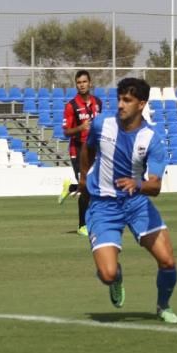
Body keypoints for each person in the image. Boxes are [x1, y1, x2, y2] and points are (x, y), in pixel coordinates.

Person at [78, 77, 177, 324]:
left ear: (141, 104)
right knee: (108, 274)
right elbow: (88, 150)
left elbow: (155, 186)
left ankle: (163, 306)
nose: (121, 105)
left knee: (167, 261)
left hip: (137, 204)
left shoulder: (151, 139)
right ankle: (117, 276)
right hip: (103, 206)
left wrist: (139, 184)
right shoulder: (102, 124)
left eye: (128, 100)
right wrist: (83, 178)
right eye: (119, 99)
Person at [59, 70, 103, 236]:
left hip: (94, 148)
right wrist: (80, 128)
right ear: (76, 84)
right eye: (79, 82)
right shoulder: (71, 106)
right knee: (86, 188)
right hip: (77, 149)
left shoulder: (97, 102)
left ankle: (70, 187)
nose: (82, 85)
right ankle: (82, 225)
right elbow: (66, 132)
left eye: (84, 81)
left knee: (94, 185)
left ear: (90, 83)